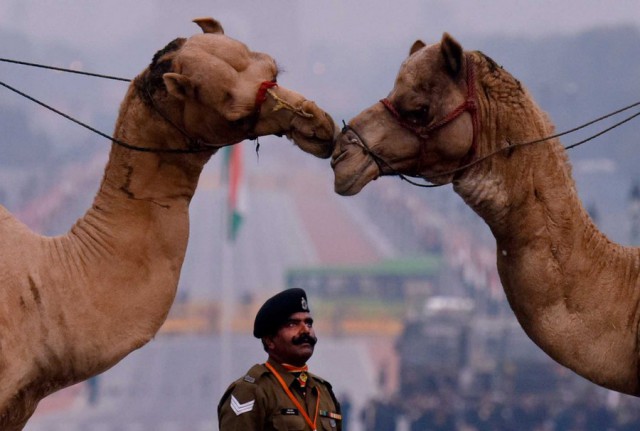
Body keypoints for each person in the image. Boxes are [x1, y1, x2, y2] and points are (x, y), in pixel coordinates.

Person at [218, 288, 342, 430]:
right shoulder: (252, 391)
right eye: (292, 324)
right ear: (270, 340)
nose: (305, 330)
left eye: (308, 323)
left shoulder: (322, 391)